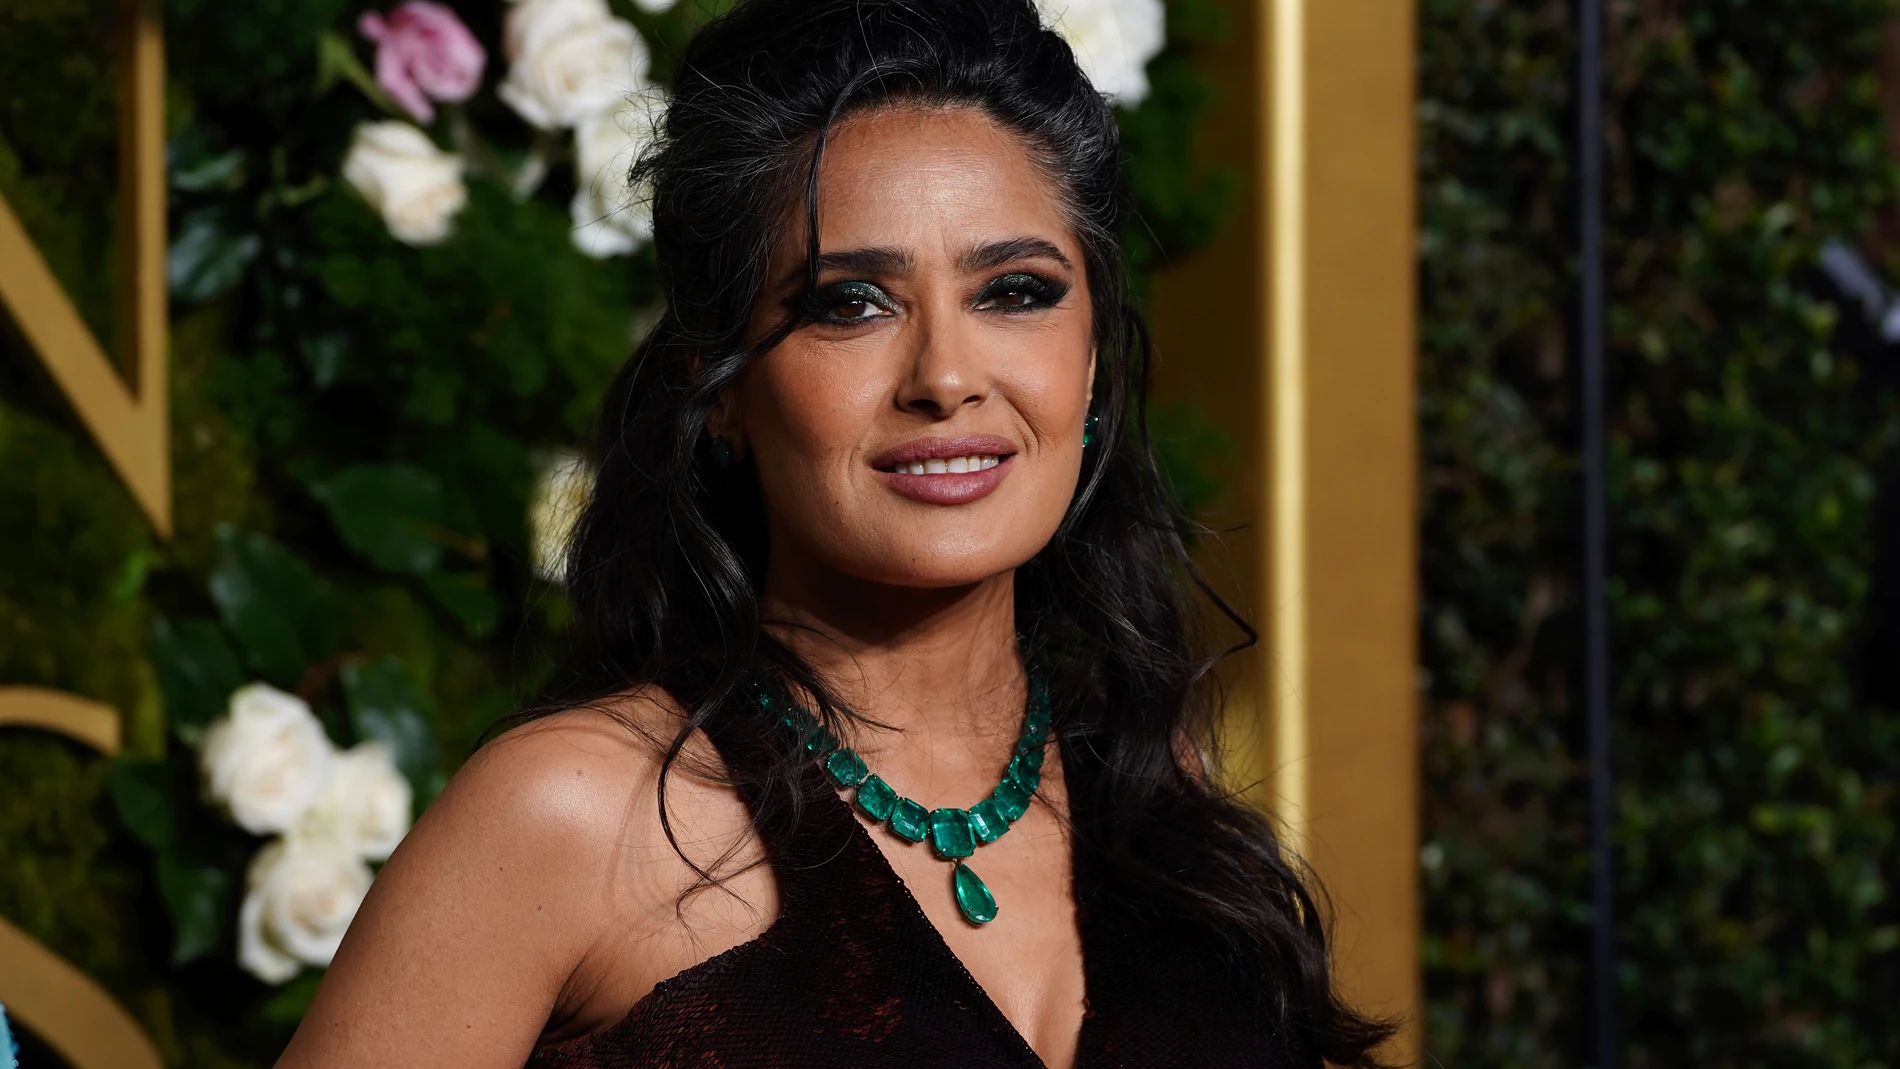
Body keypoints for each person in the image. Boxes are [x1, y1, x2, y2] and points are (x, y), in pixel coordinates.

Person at [276, 0, 1394, 1065]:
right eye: (848, 303)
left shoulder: (1163, 804)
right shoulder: (573, 814)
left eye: (1014, 290)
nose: (946, 377)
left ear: (1092, 360)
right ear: (716, 389)